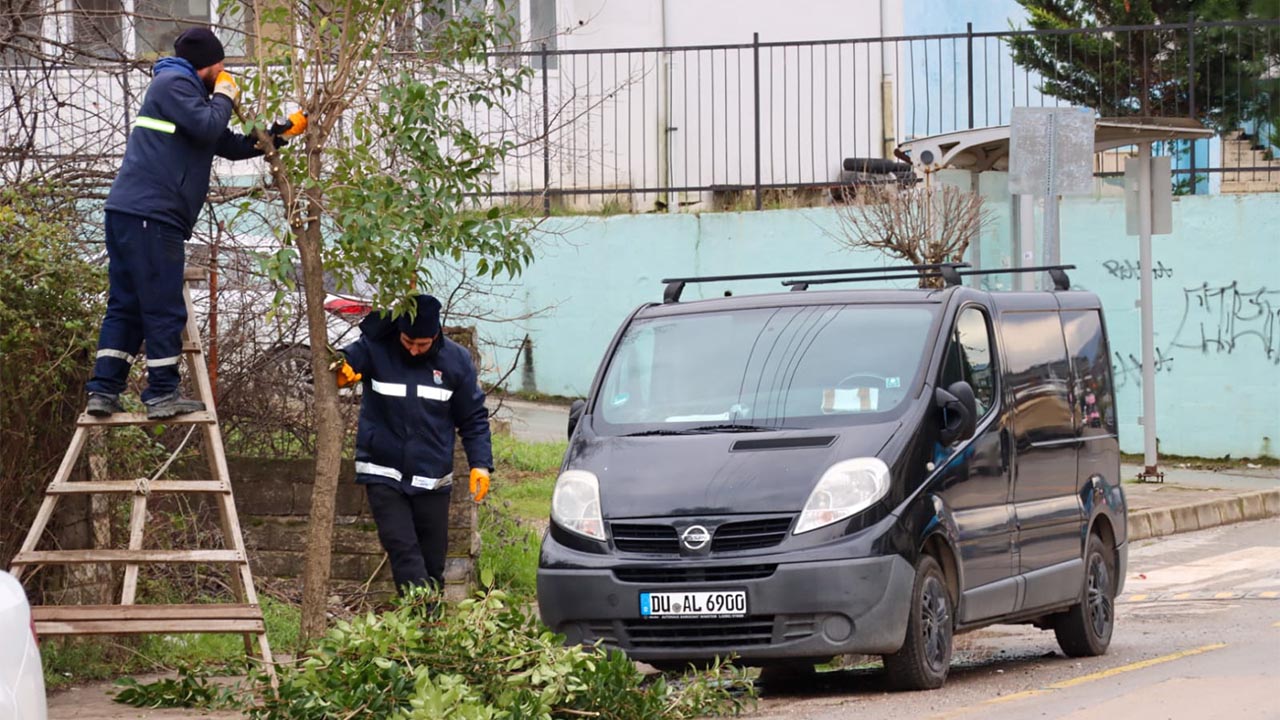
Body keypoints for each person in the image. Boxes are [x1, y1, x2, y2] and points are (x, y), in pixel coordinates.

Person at [85, 27, 290, 419]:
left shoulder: (185, 97)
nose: (224, 73)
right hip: (152, 215)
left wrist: (276, 135)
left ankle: (103, 390)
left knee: (127, 305)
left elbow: (226, 144)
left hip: (132, 214)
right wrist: (225, 95)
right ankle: (162, 393)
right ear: (206, 65)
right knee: (162, 306)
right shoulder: (173, 84)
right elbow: (210, 126)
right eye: (221, 67)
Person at [336, 294, 493, 594]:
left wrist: (481, 464)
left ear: (436, 334)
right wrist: (341, 368)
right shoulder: (376, 348)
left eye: (422, 344)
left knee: (432, 564)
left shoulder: (456, 362)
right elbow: (343, 359)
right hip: (382, 472)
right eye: (408, 341)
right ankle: (423, 611)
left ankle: (426, 618)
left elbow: (473, 418)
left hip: (432, 478)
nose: (413, 349)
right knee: (404, 552)